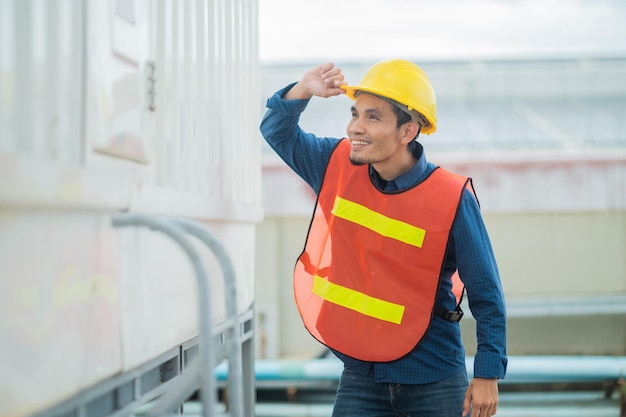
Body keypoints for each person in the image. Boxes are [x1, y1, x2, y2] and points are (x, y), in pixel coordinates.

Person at [260, 59, 507, 417]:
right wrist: (302, 90)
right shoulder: (334, 164)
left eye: (372, 117)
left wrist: (488, 373)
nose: (355, 128)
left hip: (434, 376)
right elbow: (276, 131)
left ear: (407, 131)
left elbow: (486, 292)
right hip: (361, 375)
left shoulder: (452, 197)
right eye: (355, 113)